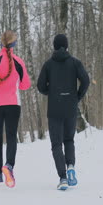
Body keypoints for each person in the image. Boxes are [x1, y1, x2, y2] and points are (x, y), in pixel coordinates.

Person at [37, 34, 90, 190]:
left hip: (54, 109)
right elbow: (86, 80)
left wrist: (51, 92)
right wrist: (77, 96)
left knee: (56, 144)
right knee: (69, 140)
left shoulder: (48, 65)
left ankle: (63, 177)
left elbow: (40, 86)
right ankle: (71, 166)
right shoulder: (75, 63)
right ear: (66, 46)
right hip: (70, 107)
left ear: (54, 46)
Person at [0, 30, 31, 188]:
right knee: (11, 135)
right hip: (13, 104)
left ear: (1, 43)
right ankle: (8, 165)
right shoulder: (18, 62)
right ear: (14, 44)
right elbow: (26, 85)